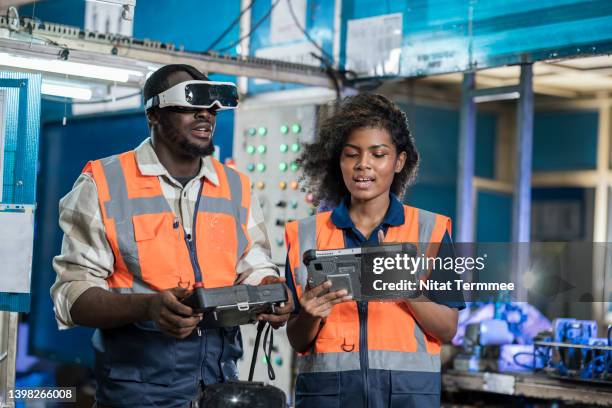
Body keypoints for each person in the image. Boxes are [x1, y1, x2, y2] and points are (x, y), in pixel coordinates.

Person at [51, 64, 293, 408]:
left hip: (219, 385)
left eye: (211, 107)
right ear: (153, 114)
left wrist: (270, 290)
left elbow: (252, 264)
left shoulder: (235, 186)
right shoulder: (103, 183)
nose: (205, 115)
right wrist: (148, 307)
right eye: (189, 105)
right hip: (136, 392)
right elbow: (72, 296)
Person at [284, 94, 464, 407]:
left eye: (378, 154)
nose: (363, 164)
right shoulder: (305, 235)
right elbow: (297, 338)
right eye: (351, 154)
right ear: (339, 161)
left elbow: (447, 329)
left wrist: (409, 290)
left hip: (406, 396)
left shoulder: (430, 231)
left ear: (399, 161)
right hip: (329, 397)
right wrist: (309, 316)